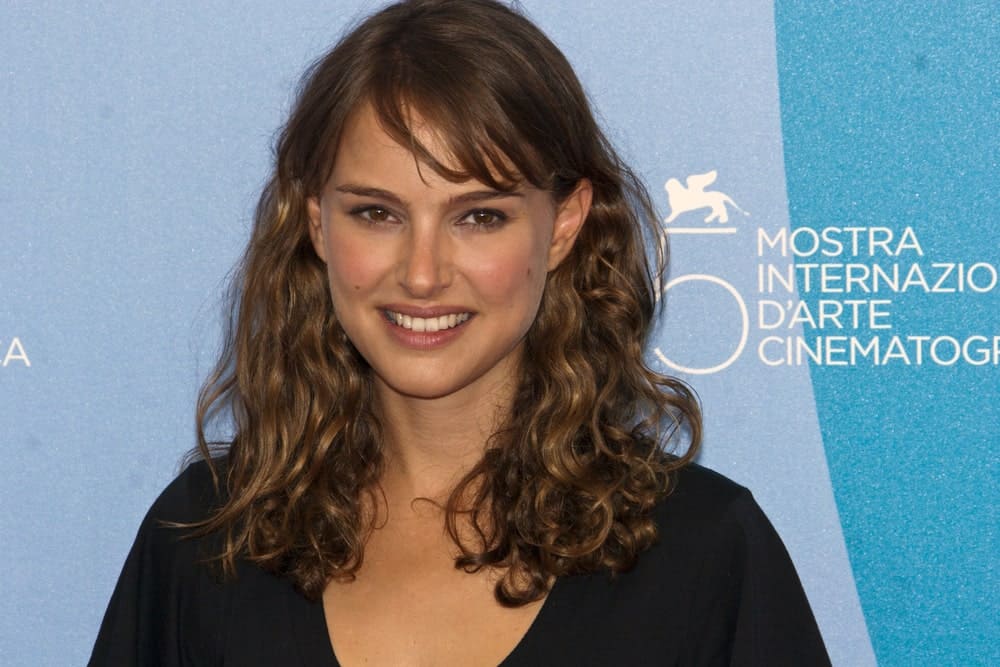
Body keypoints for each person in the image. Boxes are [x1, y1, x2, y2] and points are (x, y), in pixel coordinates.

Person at [91, 1, 830, 665]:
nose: (421, 273)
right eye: (376, 212)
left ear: (564, 224)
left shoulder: (705, 552)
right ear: (315, 219)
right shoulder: (203, 538)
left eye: (480, 215)